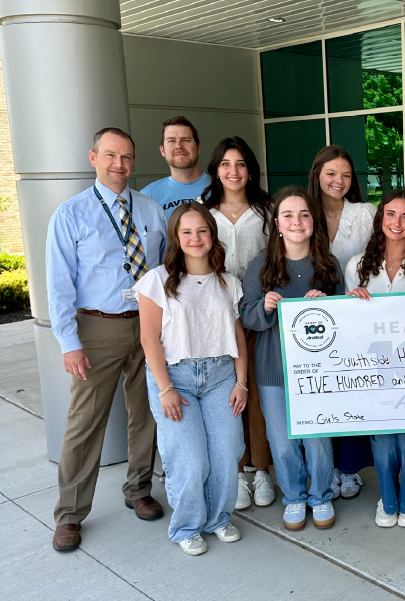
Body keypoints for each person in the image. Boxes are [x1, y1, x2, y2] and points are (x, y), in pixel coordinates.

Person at [46, 127, 168, 552]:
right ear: (93, 157)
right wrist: (68, 341)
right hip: (97, 328)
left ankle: (138, 488)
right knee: (85, 424)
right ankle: (70, 514)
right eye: (111, 156)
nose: (120, 165)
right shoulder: (71, 214)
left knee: (147, 413)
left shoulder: (152, 210)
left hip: (149, 325)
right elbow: (58, 285)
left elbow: (166, 269)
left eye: (128, 157)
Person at [135, 202, 247, 556]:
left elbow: (237, 336)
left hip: (220, 377)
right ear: (175, 237)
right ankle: (187, 525)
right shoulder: (156, 282)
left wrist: (241, 382)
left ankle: (218, 518)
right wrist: (165, 388)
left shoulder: (228, 282)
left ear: (212, 237)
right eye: (187, 232)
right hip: (176, 379)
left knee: (227, 453)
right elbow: (148, 339)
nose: (195, 238)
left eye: (202, 231)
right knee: (190, 458)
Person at [240, 185, 342, 531]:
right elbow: (246, 315)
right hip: (274, 369)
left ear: (313, 220)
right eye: (288, 215)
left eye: (304, 214)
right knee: (282, 441)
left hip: (318, 371)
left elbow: (344, 320)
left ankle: (321, 495)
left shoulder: (328, 266)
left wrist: (325, 303)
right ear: (277, 224)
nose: (296, 221)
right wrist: (264, 306)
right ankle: (295, 496)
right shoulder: (260, 266)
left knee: (318, 439)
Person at [343, 189, 405, 528]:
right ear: (379, 219)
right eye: (390, 214)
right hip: (373, 371)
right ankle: (388, 496)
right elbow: (347, 322)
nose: (396, 222)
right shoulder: (355, 266)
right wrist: (350, 300)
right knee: (383, 440)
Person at [201, 136, 275, 511]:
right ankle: (238, 471)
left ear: (250, 169)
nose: (234, 171)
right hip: (214, 317)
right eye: (226, 164)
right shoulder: (202, 210)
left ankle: (261, 470)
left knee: (258, 395)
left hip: (256, 313)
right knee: (226, 396)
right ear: (215, 169)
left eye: (241, 163)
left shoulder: (266, 210)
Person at [307, 145, 376, 500]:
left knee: (353, 392)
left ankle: (349, 468)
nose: (339, 181)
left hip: (357, 317)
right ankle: (326, 466)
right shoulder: (303, 214)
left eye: (346, 175)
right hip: (313, 319)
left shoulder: (366, 213)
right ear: (317, 174)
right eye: (331, 173)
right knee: (322, 395)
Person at [140, 116, 211, 219]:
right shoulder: (148, 197)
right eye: (171, 141)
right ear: (162, 150)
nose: (179, 146)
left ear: (198, 147)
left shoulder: (221, 188)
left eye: (186, 140)